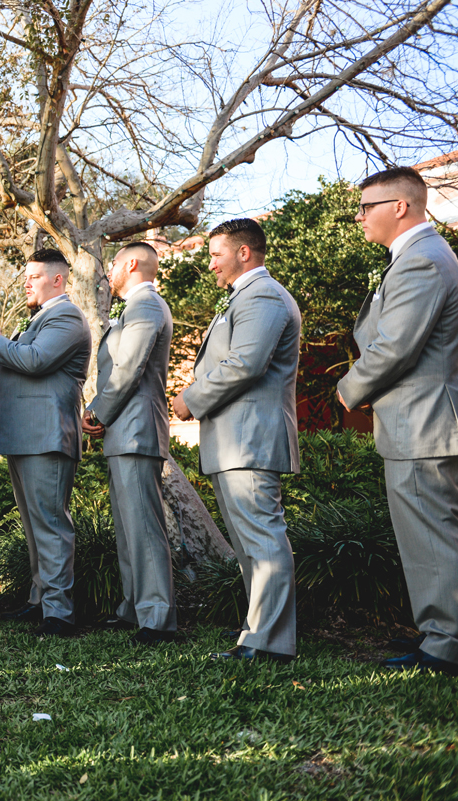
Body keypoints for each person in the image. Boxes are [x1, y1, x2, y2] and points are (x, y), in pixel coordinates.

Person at [337, 166, 458, 676]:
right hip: (419, 422)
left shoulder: (423, 261)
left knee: (431, 540)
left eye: (367, 206)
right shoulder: (418, 257)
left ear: (401, 207)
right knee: (431, 538)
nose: (360, 216)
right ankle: (440, 636)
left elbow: (393, 349)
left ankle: (445, 646)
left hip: (423, 424)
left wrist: (348, 390)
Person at [172, 218, 301, 664]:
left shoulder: (263, 295)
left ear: (244, 253)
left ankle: (269, 642)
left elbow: (246, 363)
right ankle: (258, 630)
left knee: (263, 541)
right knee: (251, 544)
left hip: (249, 439)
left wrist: (191, 398)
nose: (210, 265)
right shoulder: (246, 296)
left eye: (215, 254)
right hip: (234, 441)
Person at [0, 248, 91, 638]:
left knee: (51, 524)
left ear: (57, 279)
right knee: (34, 524)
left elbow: (37, 360)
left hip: (47, 434)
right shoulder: (42, 317)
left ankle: (59, 613)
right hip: (26, 435)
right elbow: (18, 363)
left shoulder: (66, 316)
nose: (26, 282)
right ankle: (40, 601)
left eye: (33, 276)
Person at [83, 242, 178, 645]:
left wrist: (96, 411)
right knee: (128, 527)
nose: (110, 272)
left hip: (137, 430)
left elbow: (129, 368)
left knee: (144, 527)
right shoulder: (134, 308)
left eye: (115, 264)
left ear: (133, 264)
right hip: (125, 431)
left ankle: (158, 618)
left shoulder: (146, 306)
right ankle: (134, 607)